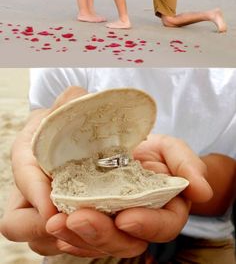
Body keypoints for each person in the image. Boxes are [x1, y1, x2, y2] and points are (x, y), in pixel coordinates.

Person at [1, 67, 235, 264]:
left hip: (207, 233)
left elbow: (223, 193)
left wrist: (180, 181)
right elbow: (45, 125)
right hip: (81, 237)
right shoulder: (70, 60)